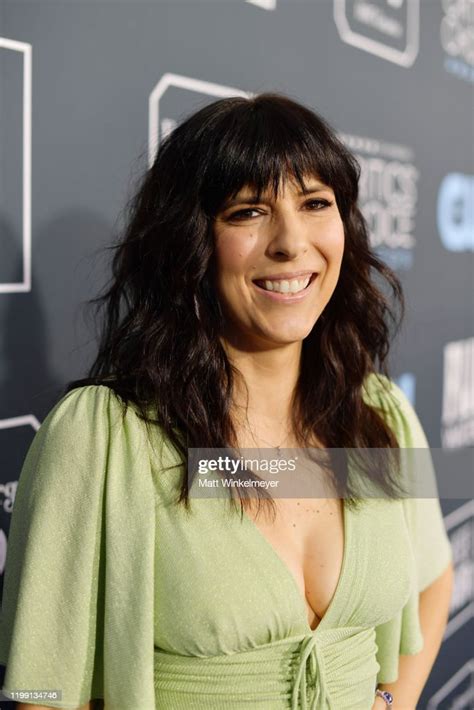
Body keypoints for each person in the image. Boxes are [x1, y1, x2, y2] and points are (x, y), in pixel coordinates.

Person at [0, 93, 453, 710]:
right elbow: (41, 693)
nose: (291, 242)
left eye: (316, 203)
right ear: (191, 243)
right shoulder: (106, 440)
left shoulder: (373, 414)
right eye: (249, 212)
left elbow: (432, 578)